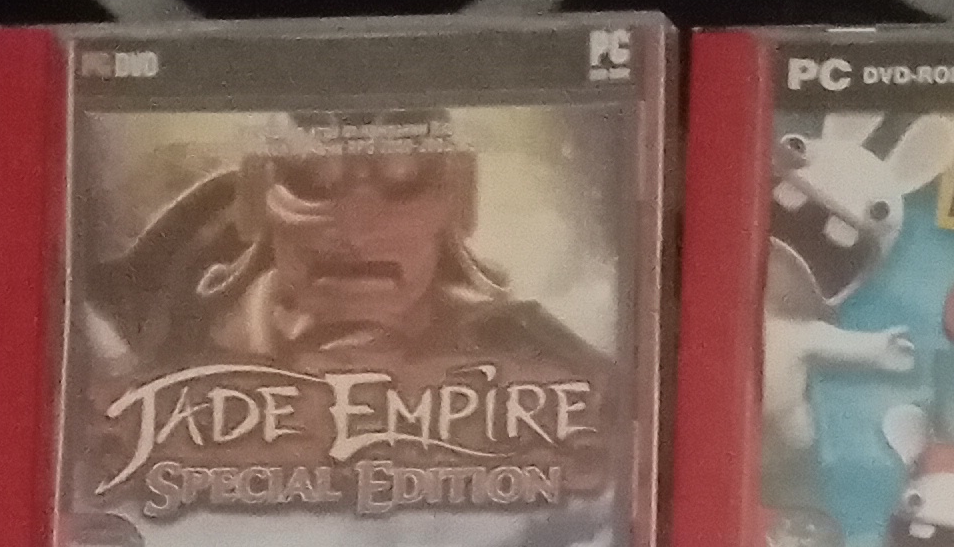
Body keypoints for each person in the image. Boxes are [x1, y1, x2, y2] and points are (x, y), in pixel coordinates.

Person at [85, 111, 615, 389]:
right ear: (254, 196)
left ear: (459, 196)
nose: (357, 228)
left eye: (404, 178)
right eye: (313, 179)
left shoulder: (539, 358)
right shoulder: (151, 335)